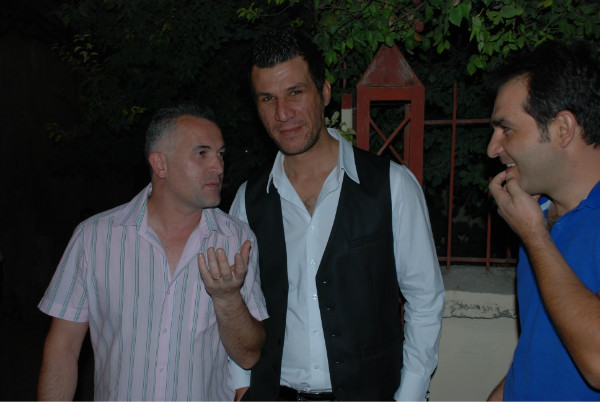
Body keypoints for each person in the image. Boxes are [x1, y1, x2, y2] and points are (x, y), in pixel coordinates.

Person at [229, 28, 445, 401]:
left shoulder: (391, 186)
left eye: (295, 92)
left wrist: (409, 395)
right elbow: (237, 303)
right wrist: (240, 385)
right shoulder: (248, 200)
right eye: (268, 99)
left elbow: (425, 300)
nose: (283, 113)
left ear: (325, 93)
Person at [37, 104, 268, 400]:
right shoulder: (93, 238)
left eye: (220, 154)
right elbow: (63, 348)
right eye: (202, 153)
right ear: (160, 165)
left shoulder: (237, 240)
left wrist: (228, 299)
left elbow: (248, 356)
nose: (218, 167)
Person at [487, 39, 600, 400]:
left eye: (507, 129)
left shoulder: (533, 228)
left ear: (563, 129)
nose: (493, 148)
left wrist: (535, 237)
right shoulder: (539, 214)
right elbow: (543, 343)